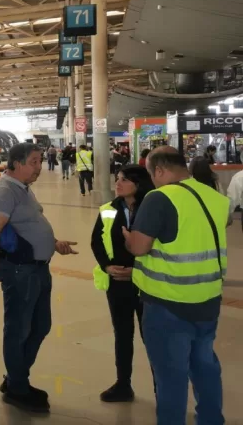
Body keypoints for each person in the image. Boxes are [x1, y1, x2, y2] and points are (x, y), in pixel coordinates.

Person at [123, 146, 232, 425]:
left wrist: (127, 237)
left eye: (152, 174)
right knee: (205, 366)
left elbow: (139, 247)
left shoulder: (160, 197)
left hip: (168, 303)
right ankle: (211, 420)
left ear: (159, 170)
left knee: (171, 377)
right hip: (208, 299)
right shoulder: (214, 197)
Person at [0, 143, 78, 413]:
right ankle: (18, 387)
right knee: (18, 329)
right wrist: (10, 257)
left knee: (40, 325)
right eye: (34, 162)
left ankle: (15, 378)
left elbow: (27, 225)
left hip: (37, 268)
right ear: (16, 163)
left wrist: (53, 242)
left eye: (39, 161)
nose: (39, 167)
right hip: (20, 271)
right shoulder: (4, 191)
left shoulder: (22, 188)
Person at [90, 165, 155, 403]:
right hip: (118, 283)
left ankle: (162, 388)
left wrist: (137, 270)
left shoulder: (152, 208)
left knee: (152, 337)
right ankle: (123, 384)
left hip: (147, 282)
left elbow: (160, 246)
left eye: (124, 179)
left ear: (138, 184)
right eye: (117, 178)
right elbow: (97, 241)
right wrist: (107, 266)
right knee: (123, 334)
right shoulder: (109, 209)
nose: (118, 183)